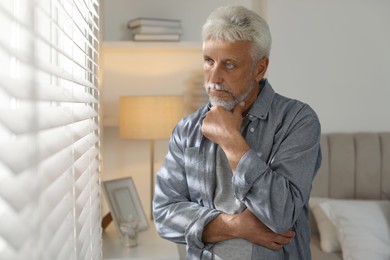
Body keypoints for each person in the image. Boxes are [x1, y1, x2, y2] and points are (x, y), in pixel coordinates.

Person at [153, 5, 321, 260]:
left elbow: (281, 214)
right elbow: (164, 214)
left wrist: (231, 142)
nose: (214, 77)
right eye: (209, 61)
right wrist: (235, 225)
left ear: (260, 68)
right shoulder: (186, 129)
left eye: (229, 64)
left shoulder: (298, 121)